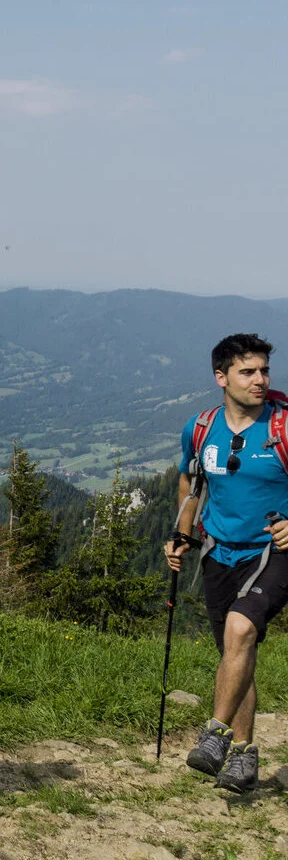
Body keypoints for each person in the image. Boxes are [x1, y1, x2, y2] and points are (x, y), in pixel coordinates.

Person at [165, 333, 288, 794]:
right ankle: (244, 756)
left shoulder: (283, 427)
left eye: (264, 371)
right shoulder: (201, 428)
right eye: (248, 371)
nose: (261, 380)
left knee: (240, 628)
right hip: (220, 551)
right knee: (235, 655)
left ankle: (214, 735)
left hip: (273, 552)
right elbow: (190, 479)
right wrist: (183, 533)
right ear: (221, 377)